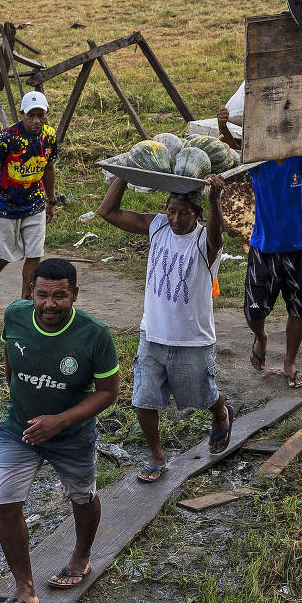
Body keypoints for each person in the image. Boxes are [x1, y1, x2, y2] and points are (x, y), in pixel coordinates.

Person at [0, 258, 120, 603]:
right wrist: (23, 402)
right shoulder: (15, 315)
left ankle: (81, 556)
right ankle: (24, 587)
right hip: (19, 430)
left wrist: (60, 421)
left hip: (72, 436)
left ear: (75, 295)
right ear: (31, 291)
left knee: (82, 496)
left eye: (60, 296)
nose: (50, 304)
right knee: (5, 502)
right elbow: (10, 360)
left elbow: (108, 392)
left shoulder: (95, 334)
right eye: (42, 295)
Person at [95, 172, 231, 480]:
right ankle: (157, 456)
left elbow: (216, 235)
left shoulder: (204, 241)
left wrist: (214, 199)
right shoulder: (157, 226)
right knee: (143, 399)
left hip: (193, 338)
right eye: (171, 210)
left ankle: (220, 412)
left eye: (184, 212)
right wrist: (124, 173)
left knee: (204, 395)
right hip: (152, 334)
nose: (176, 218)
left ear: (197, 214)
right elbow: (107, 212)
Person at [219, 104, 302, 388]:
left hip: (300, 248)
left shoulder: (301, 161)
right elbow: (236, 149)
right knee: (254, 311)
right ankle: (261, 337)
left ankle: (290, 360)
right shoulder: (258, 163)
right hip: (264, 247)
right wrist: (224, 126)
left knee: (298, 309)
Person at [0, 91, 56, 310]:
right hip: (6, 206)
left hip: (35, 204)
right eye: (31, 115)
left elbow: (49, 168)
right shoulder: (8, 138)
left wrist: (50, 200)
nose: (36, 121)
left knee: (34, 253)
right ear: (22, 114)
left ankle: (25, 302)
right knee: (5, 255)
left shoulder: (48, 136)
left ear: (46, 114)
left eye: (41, 115)